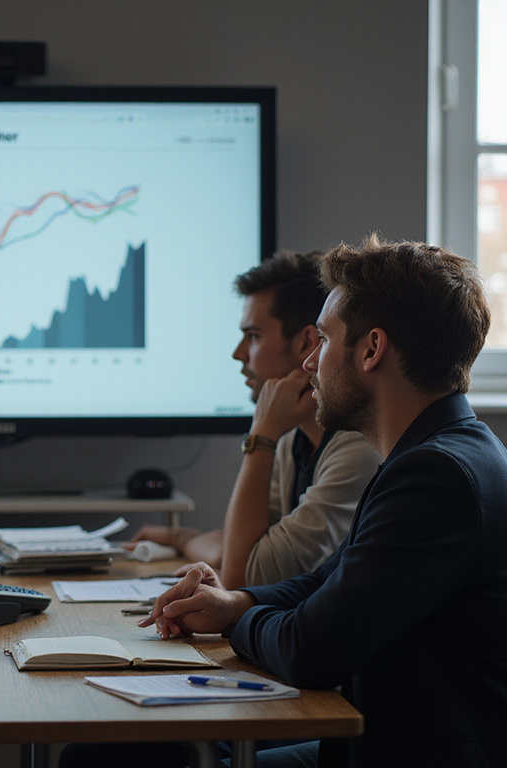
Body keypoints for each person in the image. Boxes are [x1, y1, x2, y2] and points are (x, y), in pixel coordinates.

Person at [142, 236, 507, 767]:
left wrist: (230, 623)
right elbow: (327, 581)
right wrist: (236, 602)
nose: (310, 362)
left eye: (325, 341)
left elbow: (310, 651)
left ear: (371, 349)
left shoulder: (436, 475)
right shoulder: (441, 452)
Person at [128, 252, 379, 587]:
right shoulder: (294, 439)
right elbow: (240, 550)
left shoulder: (355, 448)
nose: (239, 353)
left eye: (254, 336)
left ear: (306, 342)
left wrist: (262, 434)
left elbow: (240, 574)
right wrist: (181, 537)